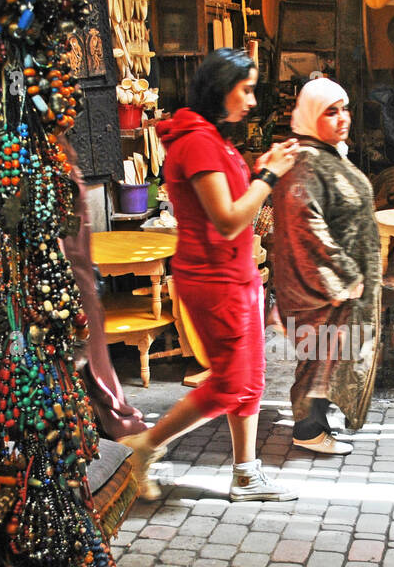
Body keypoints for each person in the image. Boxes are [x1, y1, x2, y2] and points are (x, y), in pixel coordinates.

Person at [119, 48, 300, 502]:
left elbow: (231, 202)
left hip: (236, 275)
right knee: (229, 385)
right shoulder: (198, 142)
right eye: (246, 90)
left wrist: (260, 170)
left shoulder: (211, 138)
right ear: (221, 89)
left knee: (250, 379)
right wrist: (269, 176)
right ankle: (145, 445)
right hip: (215, 280)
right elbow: (228, 219)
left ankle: (246, 474)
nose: (252, 101)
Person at [269, 78, 381, 455]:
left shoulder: (325, 154)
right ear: (310, 115)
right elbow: (305, 222)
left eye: (344, 109)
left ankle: (318, 424)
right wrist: (343, 274)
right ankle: (309, 431)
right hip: (321, 285)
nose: (342, 118)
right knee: (318, 358)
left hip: (337, 284)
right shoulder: (306, 162)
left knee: (330, 357)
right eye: (330, 112)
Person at [56, 136, 147, 438]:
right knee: (85, 348)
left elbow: (70, 227)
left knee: (88, 346)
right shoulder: (58, 166)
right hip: (71, 269)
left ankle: (98, 416)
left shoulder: (61, 165)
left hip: (74, 267)